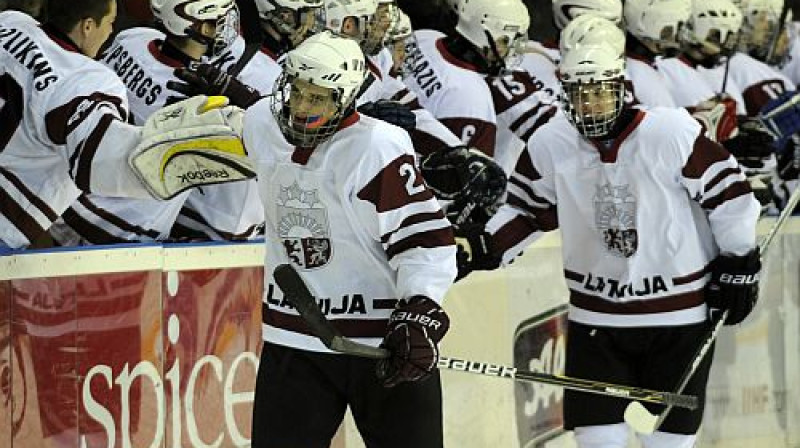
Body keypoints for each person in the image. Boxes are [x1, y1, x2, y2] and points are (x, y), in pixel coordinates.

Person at [459, 42, 762, 447]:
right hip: (597, 319)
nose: (590, 104)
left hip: (678, 319)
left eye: (600, 91)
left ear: (621, 88)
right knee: (596, 439)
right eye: (579, 94)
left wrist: (739, 260)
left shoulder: (669, 132)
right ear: (564, 92)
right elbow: (528, 212)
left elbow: (730, 195)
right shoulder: (551, 143)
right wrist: (479, 246)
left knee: (667, 443)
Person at [242, 30, 457, 447]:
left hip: (383, 342)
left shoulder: (377, 147)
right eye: (297, 93)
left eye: (317, 98)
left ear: (345, 99)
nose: (301, 108)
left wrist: (418, 313)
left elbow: (425, 241)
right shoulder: (260, 123)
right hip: (295, 336)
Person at [0, 0, 251, 250]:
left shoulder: (10, 23)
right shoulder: (90, 82)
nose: (111, 31)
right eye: (109, 22)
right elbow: (102, 158)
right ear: (88, 26)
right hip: (119, 231)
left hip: (69, 211)